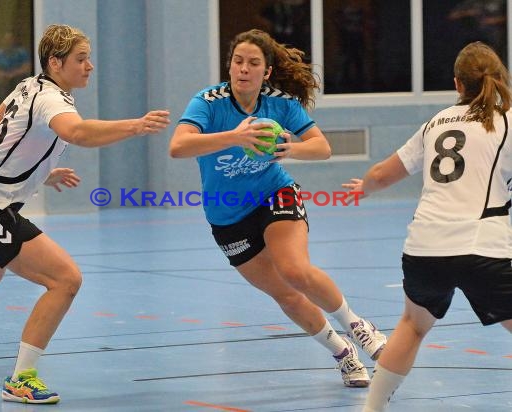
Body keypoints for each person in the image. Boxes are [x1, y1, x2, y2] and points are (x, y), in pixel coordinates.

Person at [0, 24, 170, 404]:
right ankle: (21, 379)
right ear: (56, 62)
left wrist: (36, 171)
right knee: (65, 279)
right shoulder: (51, 100)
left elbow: (0, 122)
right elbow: (78, 133)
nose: (89, 66)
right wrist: (135, 125)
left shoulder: (29, 86)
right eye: (81, 59)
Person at [169, 29, 387, 388]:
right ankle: (342, 352)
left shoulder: (280, 103)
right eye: (237, 61)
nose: (243, 69)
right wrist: (236, 137)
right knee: (284, 293)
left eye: (253, 63)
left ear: (266, 71)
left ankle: (359, 327)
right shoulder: (208, 103)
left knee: (295, 271)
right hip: (227, 215)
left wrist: (290, 148)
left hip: (275, 192)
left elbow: (323, 148)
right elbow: (178, 147)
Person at [341, 41, 512, 411]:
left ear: (456, 84)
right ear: (498, 79)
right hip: (482, 245)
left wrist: (363, 189)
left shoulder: (435, 123)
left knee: (413, 326)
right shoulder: (507, 119)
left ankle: (372, 409)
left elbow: (382, 173)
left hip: (424, 249)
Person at [0, 31, 32, 109]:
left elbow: (27, 67)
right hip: (1, 77)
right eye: (6, 40)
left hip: (17, 77)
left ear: (14, 41)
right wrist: (3, 75)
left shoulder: (21, 53)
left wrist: (12, 74)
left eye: (10, 40)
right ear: (3, 41)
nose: (8, 42)